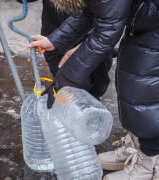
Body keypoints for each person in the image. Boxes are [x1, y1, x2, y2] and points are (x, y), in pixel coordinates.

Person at [29, 0, 159, 179]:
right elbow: (95, 12)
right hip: (145, 18)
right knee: (133, 82)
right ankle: (138, 147)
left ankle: (151, 161)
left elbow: (107, 30)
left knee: (145, 87)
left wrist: (66, 78)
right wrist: (56, 39)